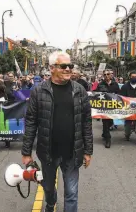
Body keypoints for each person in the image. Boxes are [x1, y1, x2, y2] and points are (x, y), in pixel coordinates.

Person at [21, 51, 93, 212]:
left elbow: (86, 122)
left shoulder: (79, 90)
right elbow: (31, 122)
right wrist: (26, 153)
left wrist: (88, 151)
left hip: (73, 153)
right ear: (52, 68)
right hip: (47, 153)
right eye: (64, 66)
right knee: (47, 188)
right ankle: (50, 203)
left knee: (72, 193)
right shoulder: (39, 91)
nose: (69, 69)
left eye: (70, 66)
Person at [96, 69, 119, 148]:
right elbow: (95, 93)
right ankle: (108, 140)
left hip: (112, 107)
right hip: (104, 107)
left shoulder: (115, 84)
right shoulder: (100, 84)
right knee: (105, 123)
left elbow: (119, 94)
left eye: (108, 74)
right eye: (105, 74)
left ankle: (104, 133)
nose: (106, 76)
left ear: (111, 75)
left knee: (110, 122)